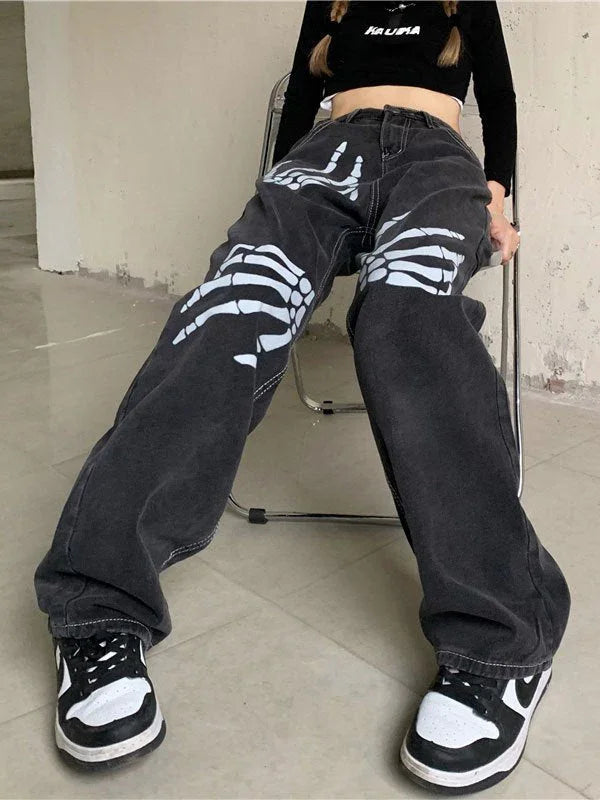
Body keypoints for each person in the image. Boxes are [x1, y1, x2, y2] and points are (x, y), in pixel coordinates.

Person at [34, 0, 570, 792]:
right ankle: (99, 607)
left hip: (436, 161)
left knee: (404, 316)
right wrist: (272, 198)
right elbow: (296, 104)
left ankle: (502, 639)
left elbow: (501, 95)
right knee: (234, 308)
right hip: (323, 156)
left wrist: (498, 195)